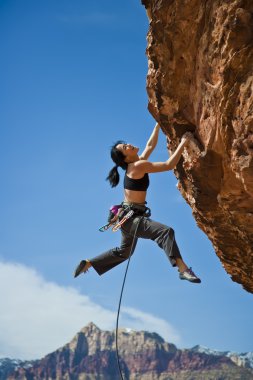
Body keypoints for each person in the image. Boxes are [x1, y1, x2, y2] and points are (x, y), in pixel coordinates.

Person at [74, 123, 201, 283]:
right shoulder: (137, 166)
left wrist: (158, 125)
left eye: (125, 143)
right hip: (132, 219)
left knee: (124, 252)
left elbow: (149, 145)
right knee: (165, 232)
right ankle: (183, 269)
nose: (128, 145)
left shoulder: (136, 165)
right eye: (125, 147)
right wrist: (184, 142)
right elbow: (169, 165)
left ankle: (90, 263)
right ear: (125, 157)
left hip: (126, 218)